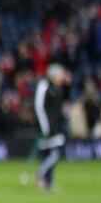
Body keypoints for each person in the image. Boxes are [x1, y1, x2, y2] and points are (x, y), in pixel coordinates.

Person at [34, 64, 69, 192]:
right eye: (60, 74)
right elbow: (39, 107)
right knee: (53, 154)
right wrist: (44, 126)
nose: (61, 77)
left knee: (53, 153)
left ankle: (47, 183)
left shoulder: (57, 88)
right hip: (47, 127)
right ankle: (42, 176)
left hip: (56, 126)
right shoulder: (44, 85)